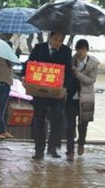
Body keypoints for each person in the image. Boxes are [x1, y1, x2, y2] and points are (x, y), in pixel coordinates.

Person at [27, 31, 73, 160]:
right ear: (50, 38)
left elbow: (69, 72)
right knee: (39, 120)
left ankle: (52, 148)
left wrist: (65, 88)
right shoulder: (39, 48)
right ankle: (39, 150)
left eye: (60, 40)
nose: (57, 43)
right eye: (56, 39)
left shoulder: (65, 51)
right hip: (40, 92)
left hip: (57, 92)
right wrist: (27, 78)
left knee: (57, 119)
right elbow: (29, 64)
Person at [65, 39, 99, 161]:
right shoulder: (70, 61)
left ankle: (81, 143)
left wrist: (77, 73)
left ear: (87, 50)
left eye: (83, 49)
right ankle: (70, 151)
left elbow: (91, 80)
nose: (80, 52)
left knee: (83, 125)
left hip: (86, 98)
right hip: (72, 98)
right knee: (70, 125)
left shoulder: (93, 64)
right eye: (78, 49)